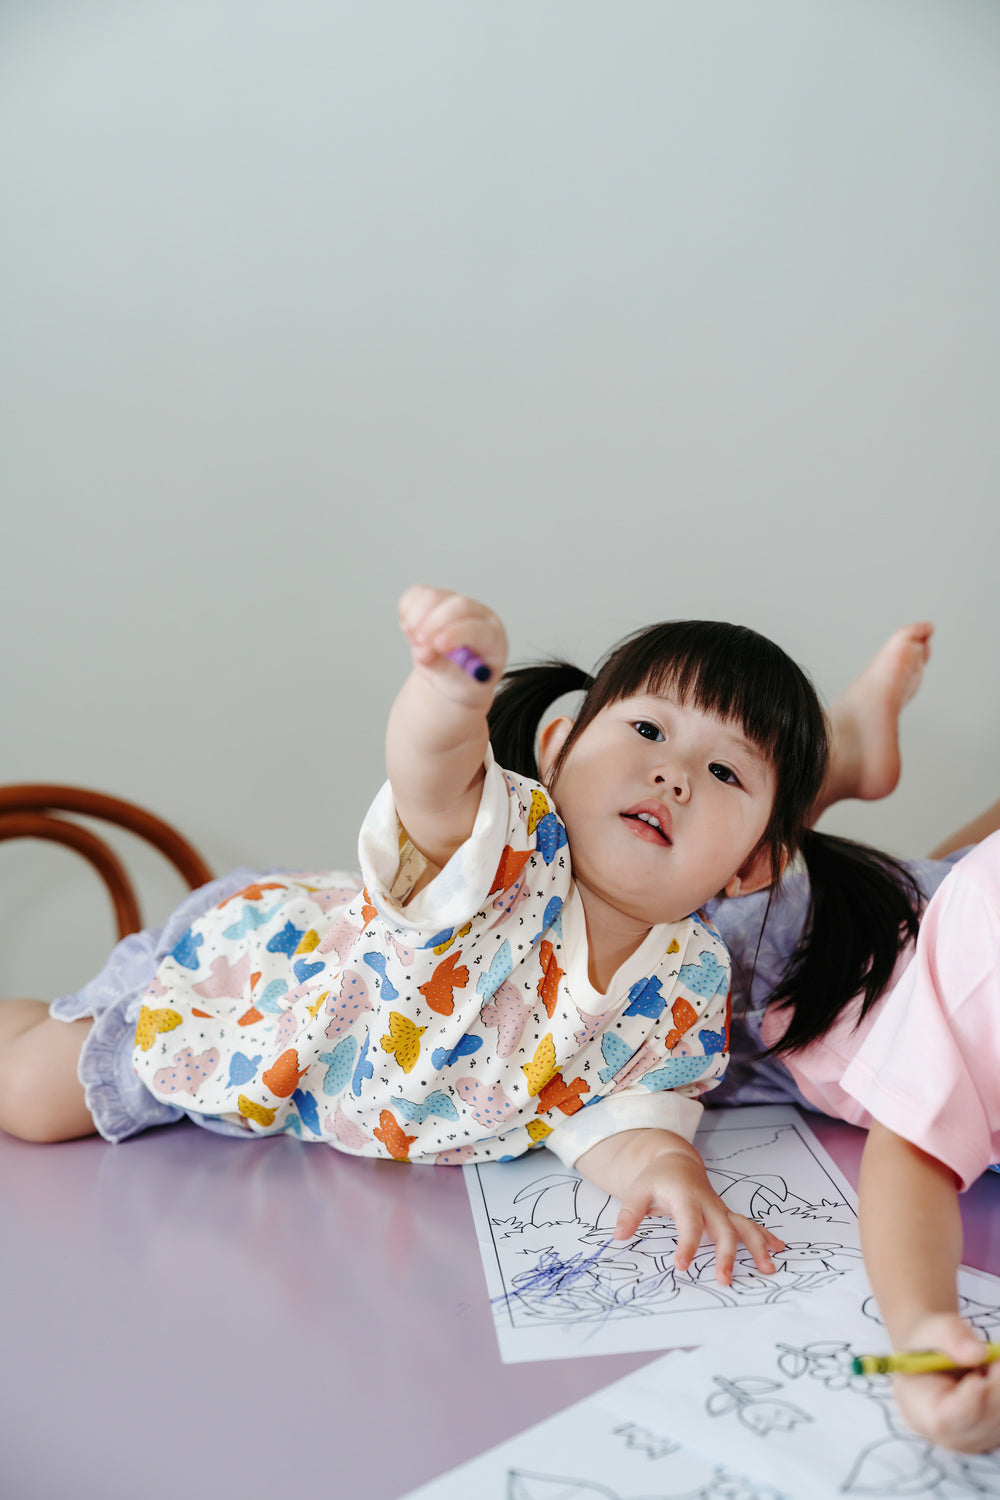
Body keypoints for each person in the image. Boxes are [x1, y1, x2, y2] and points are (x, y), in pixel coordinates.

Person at [0, 586, 923, 1287]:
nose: (674, 773)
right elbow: (430, 780)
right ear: (558, 748)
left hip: (357, 1130)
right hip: (259, 995)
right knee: (35, 1096)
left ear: (750, 869)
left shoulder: (686, 981)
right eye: (647, 727)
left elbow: (621, 1116)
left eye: (724, 770)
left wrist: (672, 1173)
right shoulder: (505, 847)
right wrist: (451, 690)